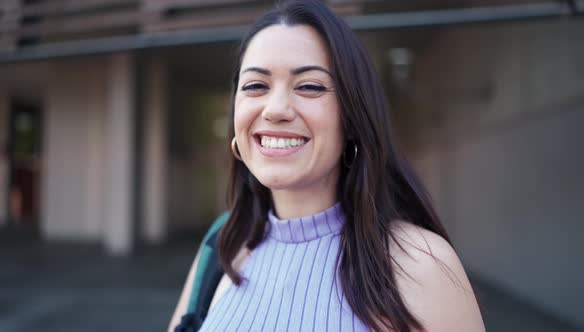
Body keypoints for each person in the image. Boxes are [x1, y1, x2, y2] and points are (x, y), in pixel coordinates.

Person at [169, 0, 485, 331]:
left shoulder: (421, 265)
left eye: (309, 86)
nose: (276, 109)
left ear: (351, 118)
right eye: (255, 86)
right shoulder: (222, 247)